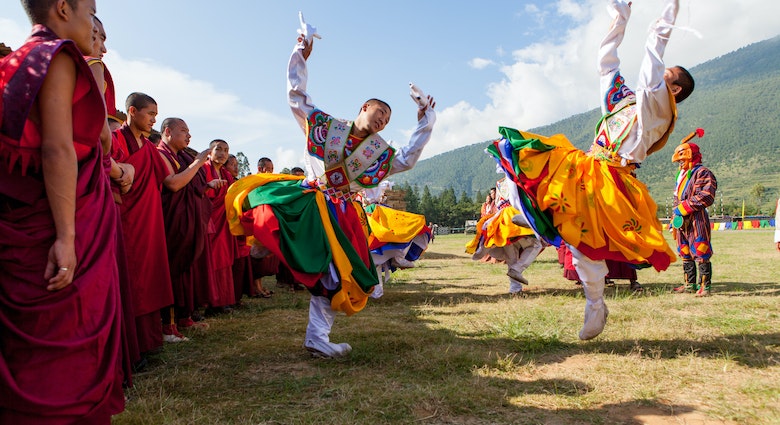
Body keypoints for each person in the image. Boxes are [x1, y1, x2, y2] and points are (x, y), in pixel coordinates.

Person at [226, 14, 436, 358]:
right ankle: (270, 245)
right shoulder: (326, 127)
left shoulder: (376, 153)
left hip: (341, 215)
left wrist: (426, 122)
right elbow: (296, 95)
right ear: (364, 108)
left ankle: (317, 337)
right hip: (310, 201)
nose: (381, 121)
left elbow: (407, 159)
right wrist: (299, 55)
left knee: (335, 276)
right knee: (266, 215)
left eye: (386, 121)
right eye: (379, 113)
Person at [486, 0, 694, 340]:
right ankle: (538, 225)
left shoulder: (659, 109)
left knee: (584, 246)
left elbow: (652, 54)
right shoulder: (625, 100)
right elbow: (606, 63)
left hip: (613, 179)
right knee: (518, 162)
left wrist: (669, 11)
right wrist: (619, 18)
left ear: (674, 90)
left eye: (667, 76)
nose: (660, 75)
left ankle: (595, 303)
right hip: (585, 167)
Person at [0, 0, 125, 421]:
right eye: (91, 11)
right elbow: (56, 148)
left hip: (22, 217)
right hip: (57, 222)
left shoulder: (17, 62)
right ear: (63, 8)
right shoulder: (57, 57)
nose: (94, 24)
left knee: (29, 351)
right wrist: (66, 238)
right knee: (67, 339)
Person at [112, 92, 175, 354]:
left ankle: (149, 342)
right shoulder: (116, 139)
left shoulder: (149, 148)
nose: (153, 120)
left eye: (155, 115)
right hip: (125, 218)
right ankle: (130, 347)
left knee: (150, 275)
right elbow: (109, 167)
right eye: (150, 114)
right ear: (132, 111)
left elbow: (168, 178)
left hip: (149, 219)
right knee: (129, 277)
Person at [157, 117, 215, 341]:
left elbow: (194, 185)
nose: (189, 136)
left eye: (189, 131)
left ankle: (183, 317)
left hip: (186, 219)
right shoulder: (161, 153)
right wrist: (198, 162)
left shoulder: (180, 156)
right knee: (172, 269)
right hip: (170, 220)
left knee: (185, 270)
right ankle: (167, 325)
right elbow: (173, 184)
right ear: (168, 132)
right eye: (183, 131)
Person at [467, 179, 543, 296]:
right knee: (536, 244)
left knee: (512, 257)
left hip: (501, 220)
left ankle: (515, 289)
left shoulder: (499, 183)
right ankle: (517, 271)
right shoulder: (519, 177)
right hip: (515, 216)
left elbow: (498, 204)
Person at [363, 181, 432, 297]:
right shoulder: (373, 177)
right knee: (400, 231)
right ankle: (397, 257)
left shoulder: (365, 177)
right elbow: (386, 185)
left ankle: (377, 290)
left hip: (371, 211)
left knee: (401, 231)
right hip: (373, 211)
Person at [670, 129, 717, 296]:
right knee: (684, 250)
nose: (680, 163)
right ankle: (689, 284)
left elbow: (706, 196)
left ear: (690, 156)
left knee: (700, 248)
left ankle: (705, 286)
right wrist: (675, 217)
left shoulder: (703, 173)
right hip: (681, 221)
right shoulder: (681, 175)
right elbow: (677, 197)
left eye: (682, 159)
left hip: (696, 218)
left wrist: (683, 208)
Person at [203, 139, 238, 311]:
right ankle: (206, 301)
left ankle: (220, 301)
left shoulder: (227, 175)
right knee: (207, 260)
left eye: (226, 150)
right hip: (207, 220)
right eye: (219, 149)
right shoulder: (202, 169)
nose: (223, 153)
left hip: (222, 223)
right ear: (210, 151)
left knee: (222, 259)